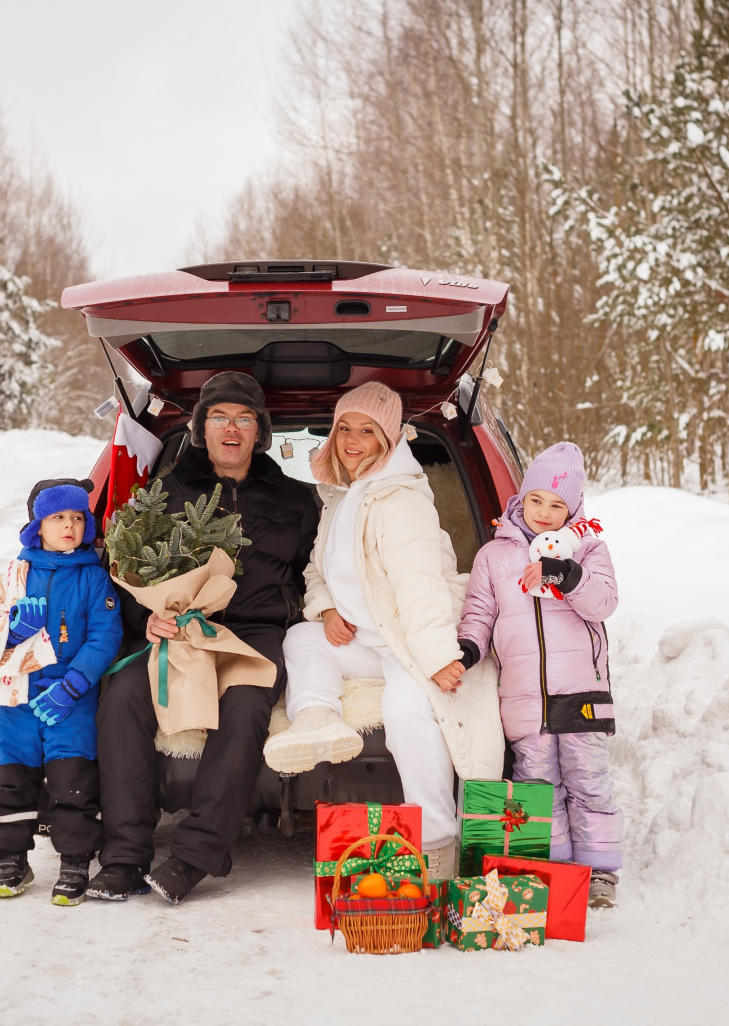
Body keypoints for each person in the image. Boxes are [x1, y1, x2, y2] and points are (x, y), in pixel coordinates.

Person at [89, 372, 320, 905]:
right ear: (200, 429)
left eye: (244, 418)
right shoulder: (162, 494)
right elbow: (126, 572)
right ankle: (124, 857)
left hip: (258, 631)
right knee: (122, 696)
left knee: (243, 708)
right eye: (219, 417)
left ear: (260, 431)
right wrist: (142, 620)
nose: (231, 429)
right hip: (185, 627)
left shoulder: (299, 500)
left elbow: (318, 577)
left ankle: (196, 855)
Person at [264, 381, 502, 878]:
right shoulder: (343, 496)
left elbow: (420, 587)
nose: (352, 441)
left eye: (367, 431)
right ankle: (316, 720)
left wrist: (440, 658)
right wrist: (327, 609)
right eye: (344, 428)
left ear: (389, 439)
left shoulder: (401, 500)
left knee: (407, 714)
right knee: (301, 638)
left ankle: (436, 845)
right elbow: (315, 570)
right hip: (362, 638)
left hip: (406, 639)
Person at [456, 441, 623, 907]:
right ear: (520, 499)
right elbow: (479, 612)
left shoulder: (589, 550)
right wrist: (468, 649)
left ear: (573, 510)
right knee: (536, 783)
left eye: (557, 505)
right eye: (535, 501)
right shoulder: (494, 556)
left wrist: (566, 575)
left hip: (581, 690)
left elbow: (605, 602)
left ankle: (599, 870)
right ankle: (551, 866)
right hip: (524, 696)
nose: (544, 513)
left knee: (588, 779)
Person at [0, 478, 123, 903]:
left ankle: (75, 860)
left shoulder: (95, 579)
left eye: (77, 518)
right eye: (58, 517)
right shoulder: (15, 576)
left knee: (72, 780)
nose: (69, 526)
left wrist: (75, 684)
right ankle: (10, 860)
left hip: (70, 696)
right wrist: (12, 631)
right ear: (37, 525)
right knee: (13, 779)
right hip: (18, 694)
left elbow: (105, 634)